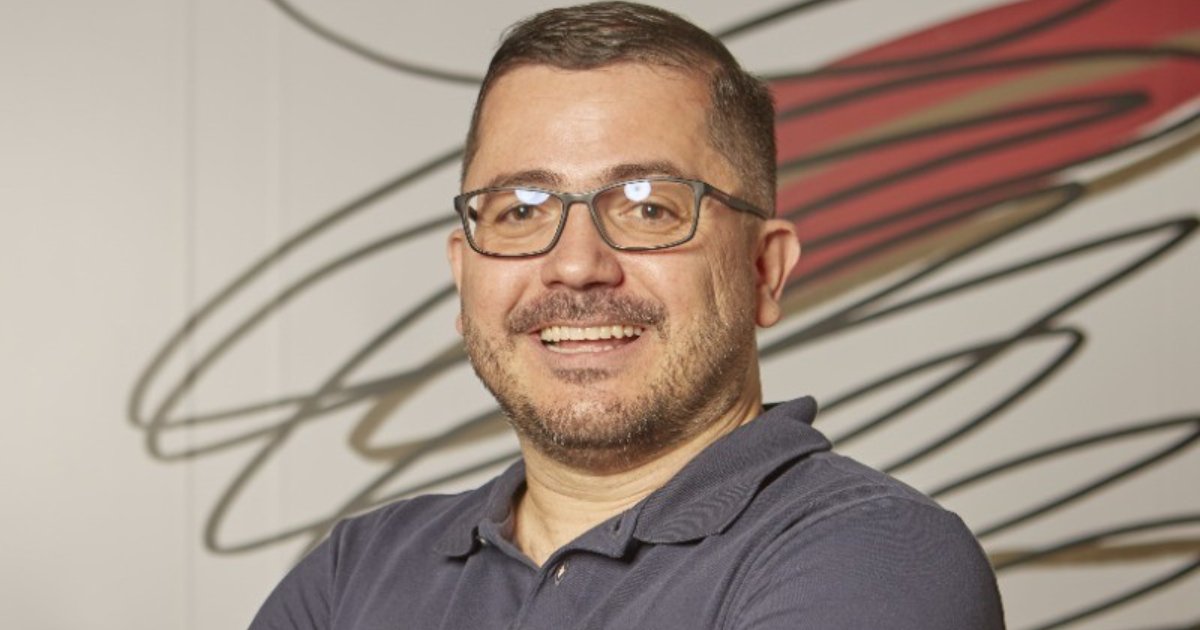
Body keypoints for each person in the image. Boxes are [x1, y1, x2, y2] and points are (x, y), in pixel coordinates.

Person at [251, 2, 1005, 628]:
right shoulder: (354, 572)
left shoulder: (875, 556)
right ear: (463, 275)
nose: (577, 265)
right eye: (521, 209)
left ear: (763, 269)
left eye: (649, 207)